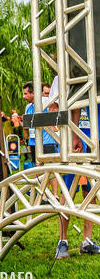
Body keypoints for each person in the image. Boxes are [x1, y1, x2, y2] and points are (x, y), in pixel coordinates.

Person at [53, 75, 100, 258]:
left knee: (91, 190)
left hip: (93, 140)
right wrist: (73, 135)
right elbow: (56, 107)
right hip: (74, 141)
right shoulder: (64, 74)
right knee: (67, 190)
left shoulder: (94, 69)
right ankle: (62, 241)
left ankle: (87, 240)